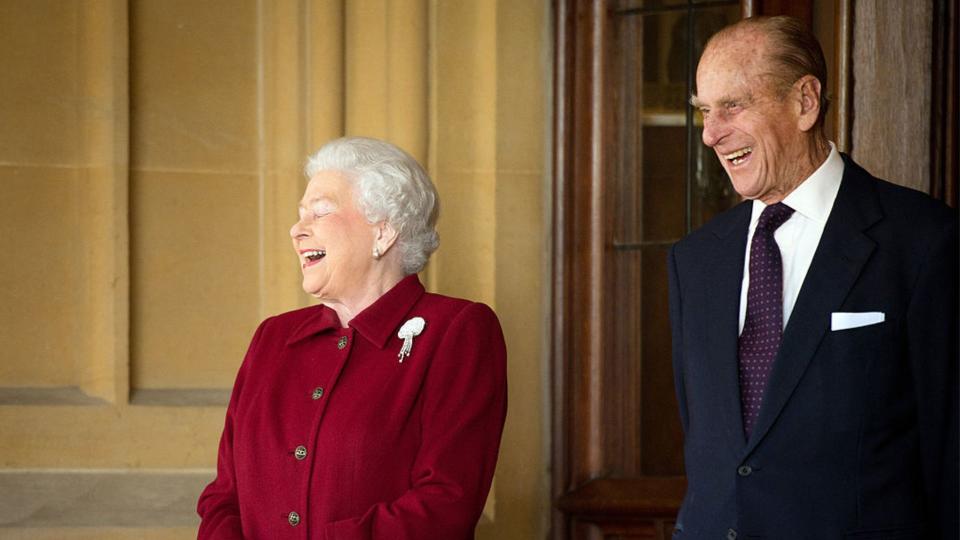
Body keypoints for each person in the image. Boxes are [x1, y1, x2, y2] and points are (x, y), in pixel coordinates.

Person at [668, 16, 958, 539]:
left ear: (804, 101)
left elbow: (951, 454)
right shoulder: (694, 261)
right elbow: (712, 451)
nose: (711, 133)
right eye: (705, 112)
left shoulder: (925, 241)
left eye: (733, 105)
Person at [197, 136, 508, 539]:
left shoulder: (458, 330)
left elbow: (447, 501)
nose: (296, 230)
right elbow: (224, 495)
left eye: (320, 212)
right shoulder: (273, 337)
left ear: (384, 231)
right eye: (300, 214)